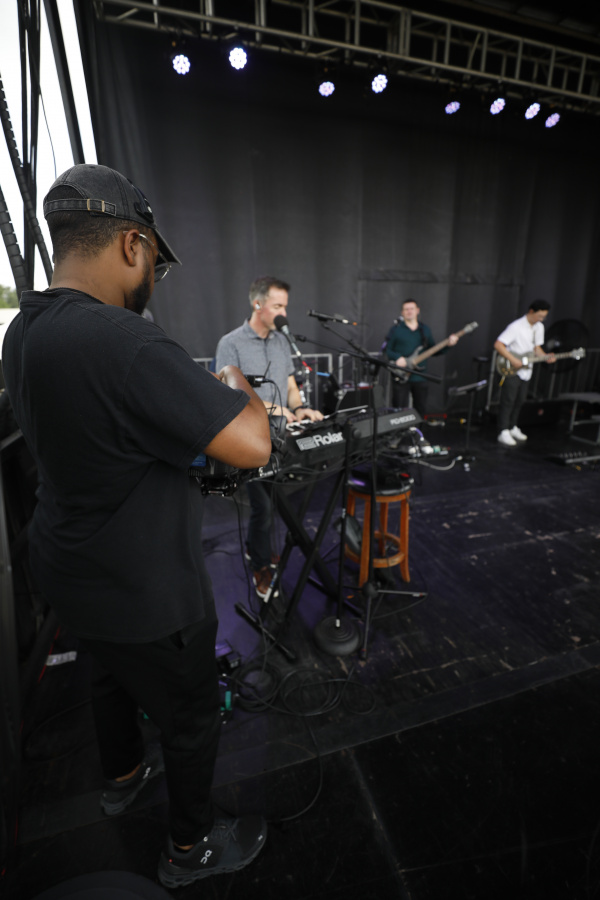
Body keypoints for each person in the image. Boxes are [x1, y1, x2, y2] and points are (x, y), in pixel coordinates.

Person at [1, 164, 272, 888]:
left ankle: (121, 779)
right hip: (146, 586)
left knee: (109, 677)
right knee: (191, 717)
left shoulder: (23, 332)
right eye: (154, 258)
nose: (154, 275)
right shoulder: (125, 341)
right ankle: (190, 849)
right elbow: (252, 443)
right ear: (131, 244)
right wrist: (237, 381)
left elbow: (101, 433)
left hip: (69, 565)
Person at [215, 276, 323, 598]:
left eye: (284, 307)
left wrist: (300, 408)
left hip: (280, 438)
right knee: (262, 506)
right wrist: (273, 407)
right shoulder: (230, 343)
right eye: (277, 306)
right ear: (258, 304)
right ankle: (261, 565)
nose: (283, 313)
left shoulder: (280, 341)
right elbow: (227, 394)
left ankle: (255, 548)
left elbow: (288, 384)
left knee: (273, 502)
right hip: (249, 439)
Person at [494, 299, 555, 447]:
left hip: (527, 369)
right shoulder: (516, 327)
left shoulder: (539, 327)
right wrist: (513, 360)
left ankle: (512, 426)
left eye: (544, 317)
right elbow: (499, 344)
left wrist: (545, 356)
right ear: (531, 311)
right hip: (512, 367)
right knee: (508, 400)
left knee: (520, 400)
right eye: (539, 316)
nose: (541, 319)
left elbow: (536, 348)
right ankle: (503, 430)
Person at [383, 298, 459, 417]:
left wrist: (448, 345)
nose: (409, 311)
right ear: (402, 312)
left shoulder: (425, 330)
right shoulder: (396, 329)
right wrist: (398, 358)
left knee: (420, 409)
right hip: (401, 374)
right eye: (406, 309)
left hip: (420, 376)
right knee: (398, 409)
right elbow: (387, 350)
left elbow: (433, 350)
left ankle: (418, 429)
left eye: (412, 309)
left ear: (417, 310)